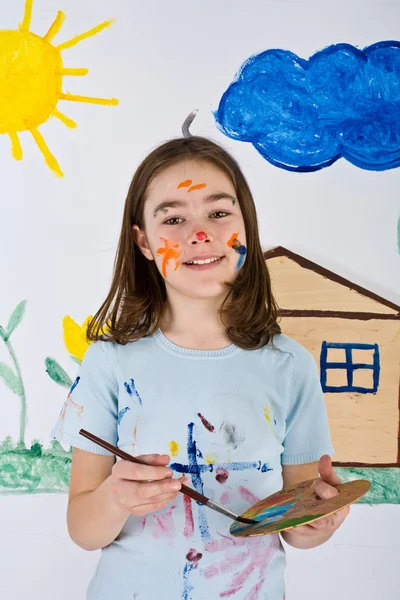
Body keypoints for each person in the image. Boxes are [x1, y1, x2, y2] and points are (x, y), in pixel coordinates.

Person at [51, 136, 349, 600]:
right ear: (143, 242)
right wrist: (115, 498)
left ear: (246, 226)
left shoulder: (290, 365)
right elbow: (82, 530)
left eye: (218, 212)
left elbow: (296, 530)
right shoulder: (109, 362)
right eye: (173, 218)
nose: (199, 233)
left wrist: (321, 520)